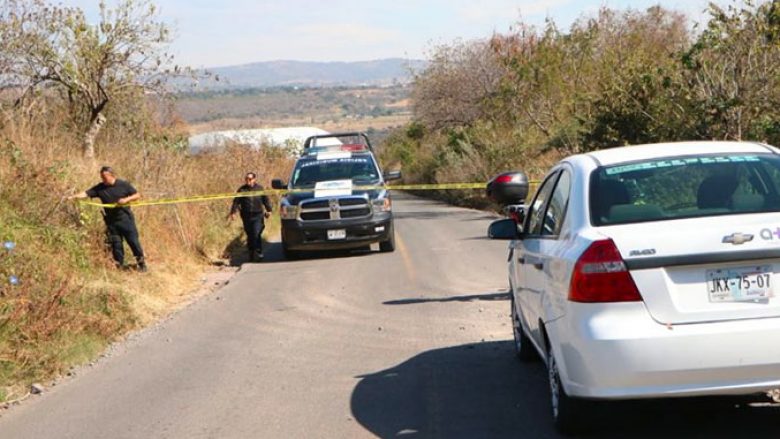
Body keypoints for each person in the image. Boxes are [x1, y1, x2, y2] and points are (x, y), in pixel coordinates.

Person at [69, 166, 147, 272]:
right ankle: (120, 266)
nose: (103, 180)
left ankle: (142, 265)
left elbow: (137, 195)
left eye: (105, 177)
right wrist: (73, 197)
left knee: (133, 242)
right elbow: (86, 193)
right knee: (116, 244)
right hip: (111, 222)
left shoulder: (123, 185)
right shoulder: (100, 187)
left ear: (112, 175)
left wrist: (126, 200)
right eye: (102, 177)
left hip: (126, 220)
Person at [228, 172, 273, 262]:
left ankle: (259, 251)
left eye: (250, 179)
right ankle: (251, 252)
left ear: (254, 179)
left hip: (258, 215)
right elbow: (236, 202)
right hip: (246, 216)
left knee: (256, 233)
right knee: (250, 235)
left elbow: (266, 200)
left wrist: (269, 210)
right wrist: (233, 213)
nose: (248, 181)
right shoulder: (242, 190)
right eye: (246, 179)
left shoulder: (260, 189)